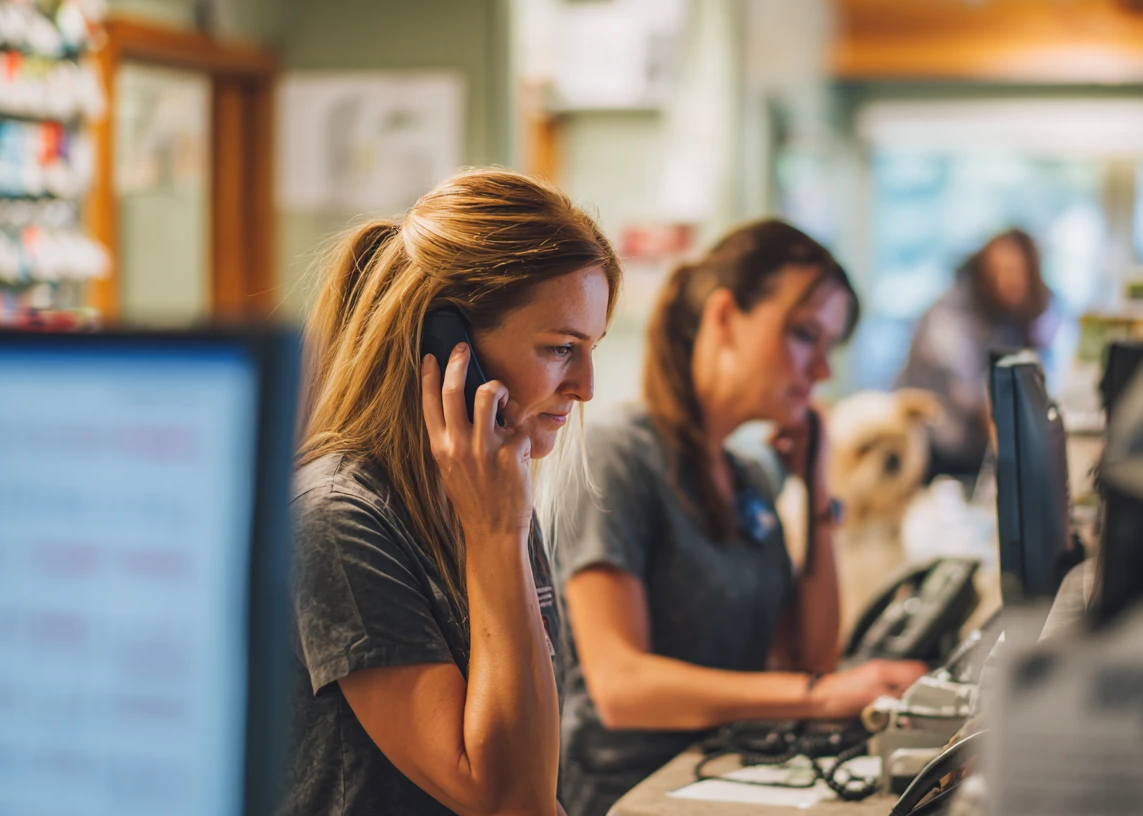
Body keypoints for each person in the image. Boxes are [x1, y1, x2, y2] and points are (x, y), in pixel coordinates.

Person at [553, 220, 929, 816]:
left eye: (830, 347)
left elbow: (809, 659)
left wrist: (817, 492)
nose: (822, 372)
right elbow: (621, 688)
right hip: (630, 794)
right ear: (725, 318)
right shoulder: (619, 453)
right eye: (805, 335)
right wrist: (820, 696)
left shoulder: (748, 477)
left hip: (729, 772)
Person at [285, 169, 622, 815]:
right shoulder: (335, 520)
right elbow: (509, 800)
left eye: (591, 349)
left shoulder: (488, 494)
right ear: (446, 346)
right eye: (559, 349)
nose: (585, 387)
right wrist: (498, 534)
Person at [896, 229, 1055, 479]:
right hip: (929, 450)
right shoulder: (950, 313)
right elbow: (972, 392)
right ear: (984, 272)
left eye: (1017, 272)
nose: (1009, 281)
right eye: (1000, 272)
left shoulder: (1008, 318)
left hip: (967, 449)